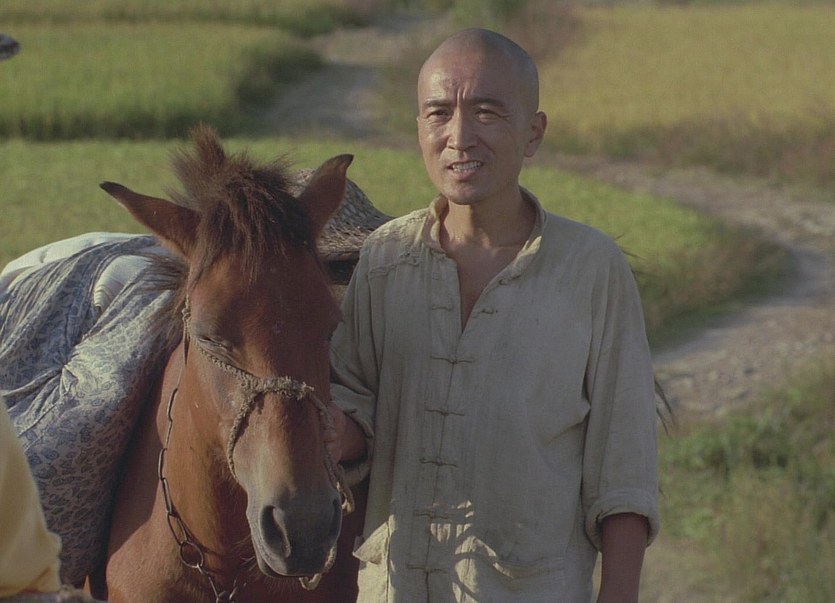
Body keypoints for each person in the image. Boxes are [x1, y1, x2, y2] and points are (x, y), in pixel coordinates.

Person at [326, 28, 659, 602]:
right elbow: (357, 407)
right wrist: (336, 433)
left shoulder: (589, 268)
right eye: (438, 114)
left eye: (486, 112)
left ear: (534, 132)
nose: (459, 137)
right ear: (419, 128)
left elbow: (623, 463)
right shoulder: (385, 258)